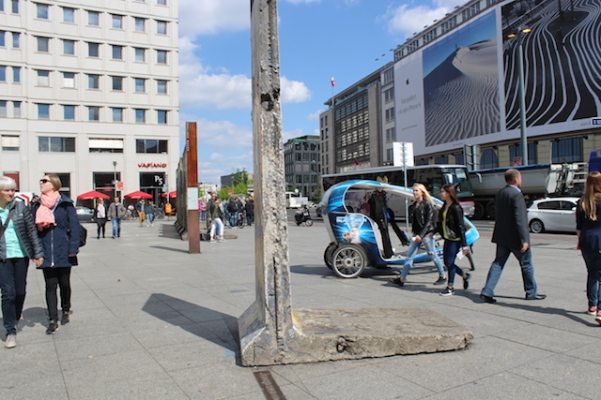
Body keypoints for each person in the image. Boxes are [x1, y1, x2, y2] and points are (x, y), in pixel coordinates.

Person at [480, 169, 546, 303]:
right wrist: (524, 239)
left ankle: (487, 290)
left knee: (498, 263)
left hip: (502, 236)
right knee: (526, 264)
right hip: (515, 238)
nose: (521, 180)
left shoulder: (500, 193)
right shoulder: (516, 195)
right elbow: (520, 218)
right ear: (516, 179)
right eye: (520, 177)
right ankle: (531, 292)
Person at [31, 174, 81, 334]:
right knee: (50, 285)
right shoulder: (37, 205)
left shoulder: (66, 204)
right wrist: (36, 251)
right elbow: (32, 231)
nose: (41, 183)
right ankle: (52, 319)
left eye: (44, 181)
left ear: (54, 184)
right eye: (41, 180)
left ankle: (65, 309)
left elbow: (75, 227)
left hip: (64, 250)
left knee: (64, 283)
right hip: (46, 251)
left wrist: (73, 248)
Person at [0, 176, 44, 349]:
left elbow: (31, 231)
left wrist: (37, 253)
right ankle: (10, 330)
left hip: (21, 255)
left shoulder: (21, 208)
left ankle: (15, 317)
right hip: (2, 257)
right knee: (8, 293)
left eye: (13, 190)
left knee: (20, 291)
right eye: (7, 190)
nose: (11, 193)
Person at [389, 183, 447, 288]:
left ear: (422, 192)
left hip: (426, 235)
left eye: (417, 190)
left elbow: (428, 222)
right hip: (417, 235)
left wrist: (421, 235)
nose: (414, 192)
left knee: (432, 255)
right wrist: (415, 235)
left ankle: (442, 276)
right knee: (409, 257)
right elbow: (415, 222)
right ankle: (402, 279)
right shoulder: (413, 206)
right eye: (414, 191)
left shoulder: (427, 204)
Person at [576, 171, 601, 324]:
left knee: (592, 273)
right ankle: (600, 308)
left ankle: (592, 305)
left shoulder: (582, 201)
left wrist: (581, 241)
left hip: (586, 241)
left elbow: (578, 227)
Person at [437, 184, 471, 296]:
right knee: (447, 262)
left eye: (443, 191)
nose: (441, 193)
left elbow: (461, 226)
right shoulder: (444, 207)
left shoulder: (456, 208)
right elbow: (440, 223)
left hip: (455, 238)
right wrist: (433, 232)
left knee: (450, 262)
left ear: (449, 193)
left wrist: (464, 244)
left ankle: (450, 287)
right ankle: (464, 275)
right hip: (447, 238)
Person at [368, 188, 394, 258]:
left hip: (378, 218)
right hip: (381, 218)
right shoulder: (379, 198)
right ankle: (388, 253)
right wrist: (381, 219)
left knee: (381, 236)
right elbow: (379, 210)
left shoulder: (375, 197)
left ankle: (386, 252)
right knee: (384, 235)